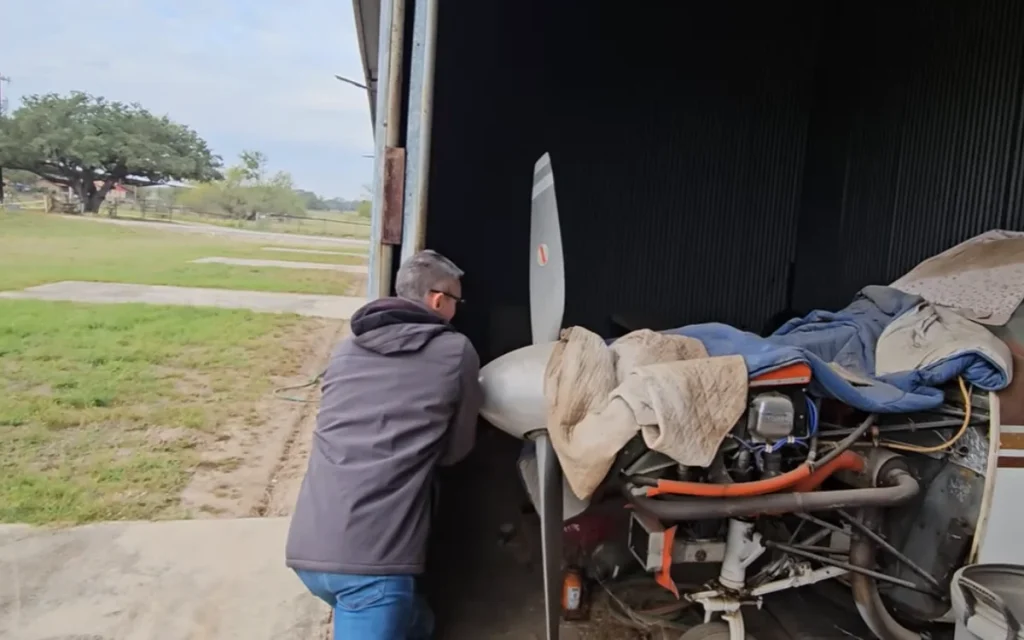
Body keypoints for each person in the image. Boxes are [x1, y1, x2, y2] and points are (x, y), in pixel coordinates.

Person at [285, 249, 483, 639]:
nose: (457, 310)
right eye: (456, 302)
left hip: (308, 551)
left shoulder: (345, 350)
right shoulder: (455, 350)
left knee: (418, 623)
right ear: (437, 300)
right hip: (374, 568)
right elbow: (455, 451)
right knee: (391, 610)